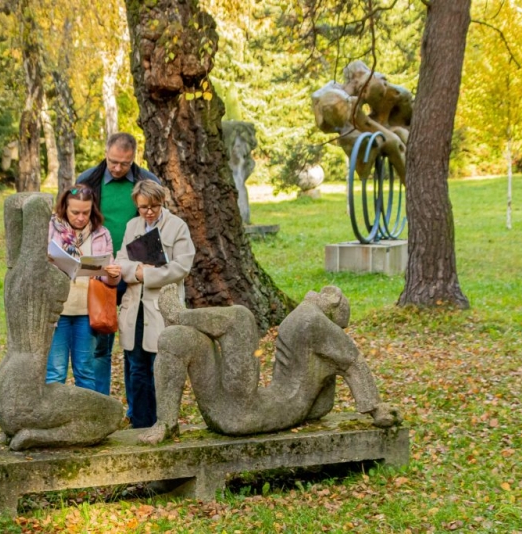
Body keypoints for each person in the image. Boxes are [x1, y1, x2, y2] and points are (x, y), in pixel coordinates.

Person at [138, 286, 402, 445]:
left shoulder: (313, 321)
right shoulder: (305, 320)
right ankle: (166, 422)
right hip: (230, 413)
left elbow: (353, 362)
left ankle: (178, 314)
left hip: (253, 412)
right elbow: (328, 393)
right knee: (175, 338)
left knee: (241, 318)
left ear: (331, 304)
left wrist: (376, 408)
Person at [76, 133, 160, 399]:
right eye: (112, 162)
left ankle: (137, 411)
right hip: (99, 268)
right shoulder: (87, 180)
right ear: (106, 153)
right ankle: (99, 403)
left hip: (135, 268)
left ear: (133, 158)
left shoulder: (148, 182)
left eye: (124, 163)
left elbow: (157, 224)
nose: (117, 168)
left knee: (134, 343)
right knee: (100, 339)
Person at [115, 180, 195, 428]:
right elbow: (121, 260)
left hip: (159, 307)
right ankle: (139, 422)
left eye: (154, 206)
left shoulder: (177, 227)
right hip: (135, 307)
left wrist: (148, 276)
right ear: (136, 205)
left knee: (159, 367)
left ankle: (163, 422)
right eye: (143, 207)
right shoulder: (132, 226)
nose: (149, 211)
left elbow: (181, 267)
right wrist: (136, 271)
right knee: (136, 369)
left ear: (162, 202)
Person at [46, 186, 121, 390]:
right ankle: (55, 419)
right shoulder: (51, 229)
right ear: (64, 208)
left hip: (88, 312)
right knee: (55, 370)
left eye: (85, 213)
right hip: (57, 311)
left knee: (85, 370)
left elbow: (109, 279)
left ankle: (87, 420)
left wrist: (113, 275)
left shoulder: (101, 234)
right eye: (75, 212)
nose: (80, 218)